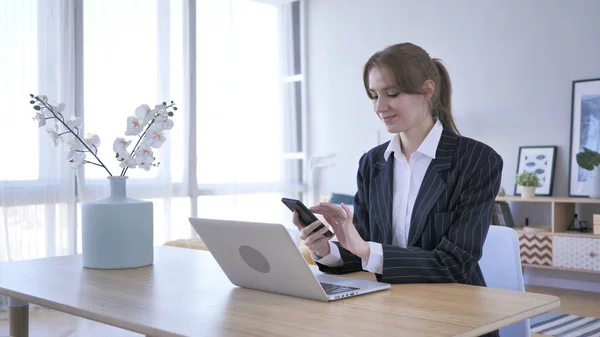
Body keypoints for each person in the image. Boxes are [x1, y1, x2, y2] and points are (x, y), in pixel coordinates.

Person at [293, 42, 503, 288]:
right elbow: (363, 250)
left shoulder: (478, 161)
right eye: (374, 96)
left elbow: (454, 263)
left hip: (454, 307)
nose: (379, 107)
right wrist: (326, 248)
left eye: (392, 94)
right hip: (390, 305)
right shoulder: (372, 163)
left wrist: (364, 249)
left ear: (427, 90)